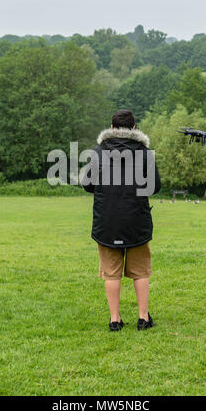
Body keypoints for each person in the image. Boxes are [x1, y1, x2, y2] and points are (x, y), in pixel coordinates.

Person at [81, 109, 161, 331]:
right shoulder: (144, 153)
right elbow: (155, 186)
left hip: (107, 221)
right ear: (134, 128)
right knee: (141, 271)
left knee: (111, 273)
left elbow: (87, 184)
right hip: (136, 220)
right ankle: (143, 318)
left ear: (112, 128)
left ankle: (114, 320)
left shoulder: (98, 152)